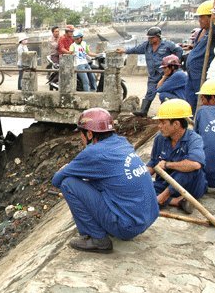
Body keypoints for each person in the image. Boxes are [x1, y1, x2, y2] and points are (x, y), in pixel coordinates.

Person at [51, 108, 159, 253]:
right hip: (147, 217)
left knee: (68, 183)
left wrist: (65, 169)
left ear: (89, 134)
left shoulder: (93, 153)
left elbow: (56, 180)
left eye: (81, 135)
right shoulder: (122, 142)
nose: (81, 139)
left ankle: (97, 239)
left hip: (127, 226)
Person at [147, 99, 207, 214]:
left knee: (187, 167)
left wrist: (167, 164)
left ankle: (164, 197)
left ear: (176, 124)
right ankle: (176, 201)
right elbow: (153, 163)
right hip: (164, 184)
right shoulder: (160, 138)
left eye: (163, 123)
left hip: (190, 186)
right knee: (142, 190)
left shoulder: (194, 139)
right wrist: (140, 178)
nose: (159, 126)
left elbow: (195, 164)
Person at [116, 27, 183, 117]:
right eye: (149, 38)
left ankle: (169, 110)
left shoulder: (168, 44)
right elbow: (136, 49)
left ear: (158, 37)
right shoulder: (146, 45)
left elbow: (179, 50)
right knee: (150, 92)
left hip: (165, 72)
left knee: (166, 91)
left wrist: (174, 63)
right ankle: (144, 111)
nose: (150, 39)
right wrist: (124, 51)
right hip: (153, 73)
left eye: (152, 38)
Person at [184, 0, 215, 112]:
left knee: (202, 100)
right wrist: (191, 48)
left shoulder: (213, 32)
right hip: (191, 73)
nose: (199, 20)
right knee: (191, 99)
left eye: (202, 17)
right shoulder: (200, 32)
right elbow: (200, 48)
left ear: (210, 17)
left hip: (201, 74)